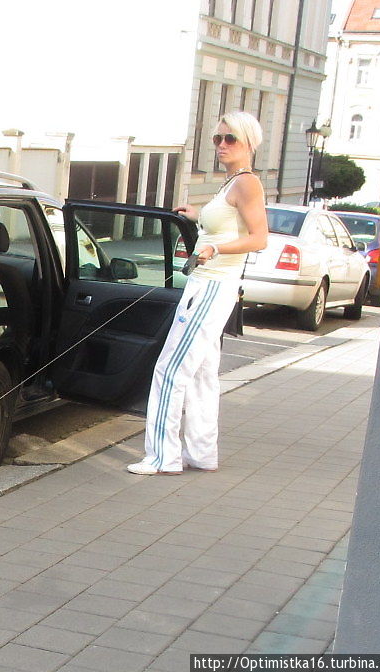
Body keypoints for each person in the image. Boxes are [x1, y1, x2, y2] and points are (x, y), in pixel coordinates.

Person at [128, 111, 268, 475]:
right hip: (210, 284)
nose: (221, 145)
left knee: (169, 371)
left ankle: (163, 457)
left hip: (211, 285)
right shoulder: (233, 182)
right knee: (204, 374)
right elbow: (226, 224)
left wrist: (215, 250)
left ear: (249, 143)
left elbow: (259, 237)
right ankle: (202, 453)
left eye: (230, 139)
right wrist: (197, 216)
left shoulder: (247, 184)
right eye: (217, 138)